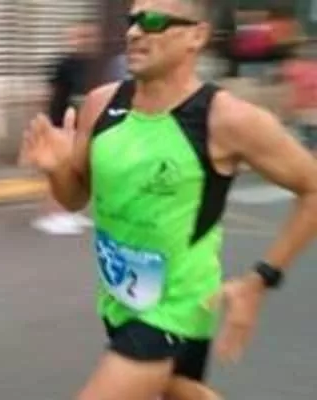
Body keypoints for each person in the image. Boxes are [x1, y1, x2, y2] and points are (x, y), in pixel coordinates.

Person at [20, 0, 317, 399]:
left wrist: (260, 280)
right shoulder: (100, 104)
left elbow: (312, 188)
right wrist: (56, 169)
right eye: (132, 21)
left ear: (197, 35)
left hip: (177, 309)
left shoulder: (227, 119)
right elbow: (75, 198)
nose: (134, 33)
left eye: (154, 21)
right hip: (120, 301)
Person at [31, 21, 100, 234]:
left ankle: (69, 211)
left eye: (90, 37)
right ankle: (53, 215)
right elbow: (49, 94)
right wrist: (45, 122)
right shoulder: (63, 64)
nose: (87, 41)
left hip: (79, 124)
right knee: (58, 169)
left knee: (76, 169)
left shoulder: (88, 64)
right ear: (72, 39)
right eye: (82, 37)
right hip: (60, 121)